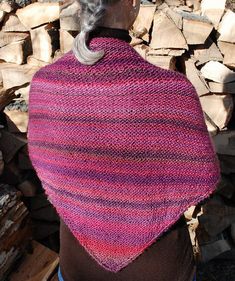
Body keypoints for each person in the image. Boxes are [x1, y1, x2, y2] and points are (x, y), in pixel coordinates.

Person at [28, 0, 220, 280]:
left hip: (79, 263)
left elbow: (45, 163)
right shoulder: (172, 90)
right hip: (159, 267)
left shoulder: (46, 84)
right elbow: (205, 175)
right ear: (131, 4)